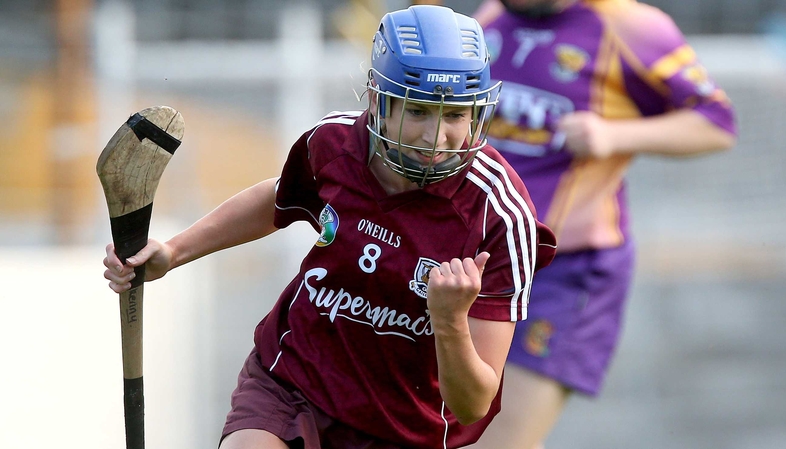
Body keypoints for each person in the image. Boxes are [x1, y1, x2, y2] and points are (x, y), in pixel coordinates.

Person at [103, 5, 557, 449]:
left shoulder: (499, 214)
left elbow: (474, 402)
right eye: (418, 110)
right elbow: (277, 198)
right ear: (380, 100)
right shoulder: (335, 144)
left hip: (400, 429)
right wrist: (174, 253)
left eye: (455, 114)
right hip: (291, 382)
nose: (436, 138)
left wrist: (449, 319)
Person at [465, 1, 738, 448]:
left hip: (567, 274)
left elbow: (717, 123)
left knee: (494, 442)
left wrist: (614, 135)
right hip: (478, 264)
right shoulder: (488, 20)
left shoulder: (631, 26)